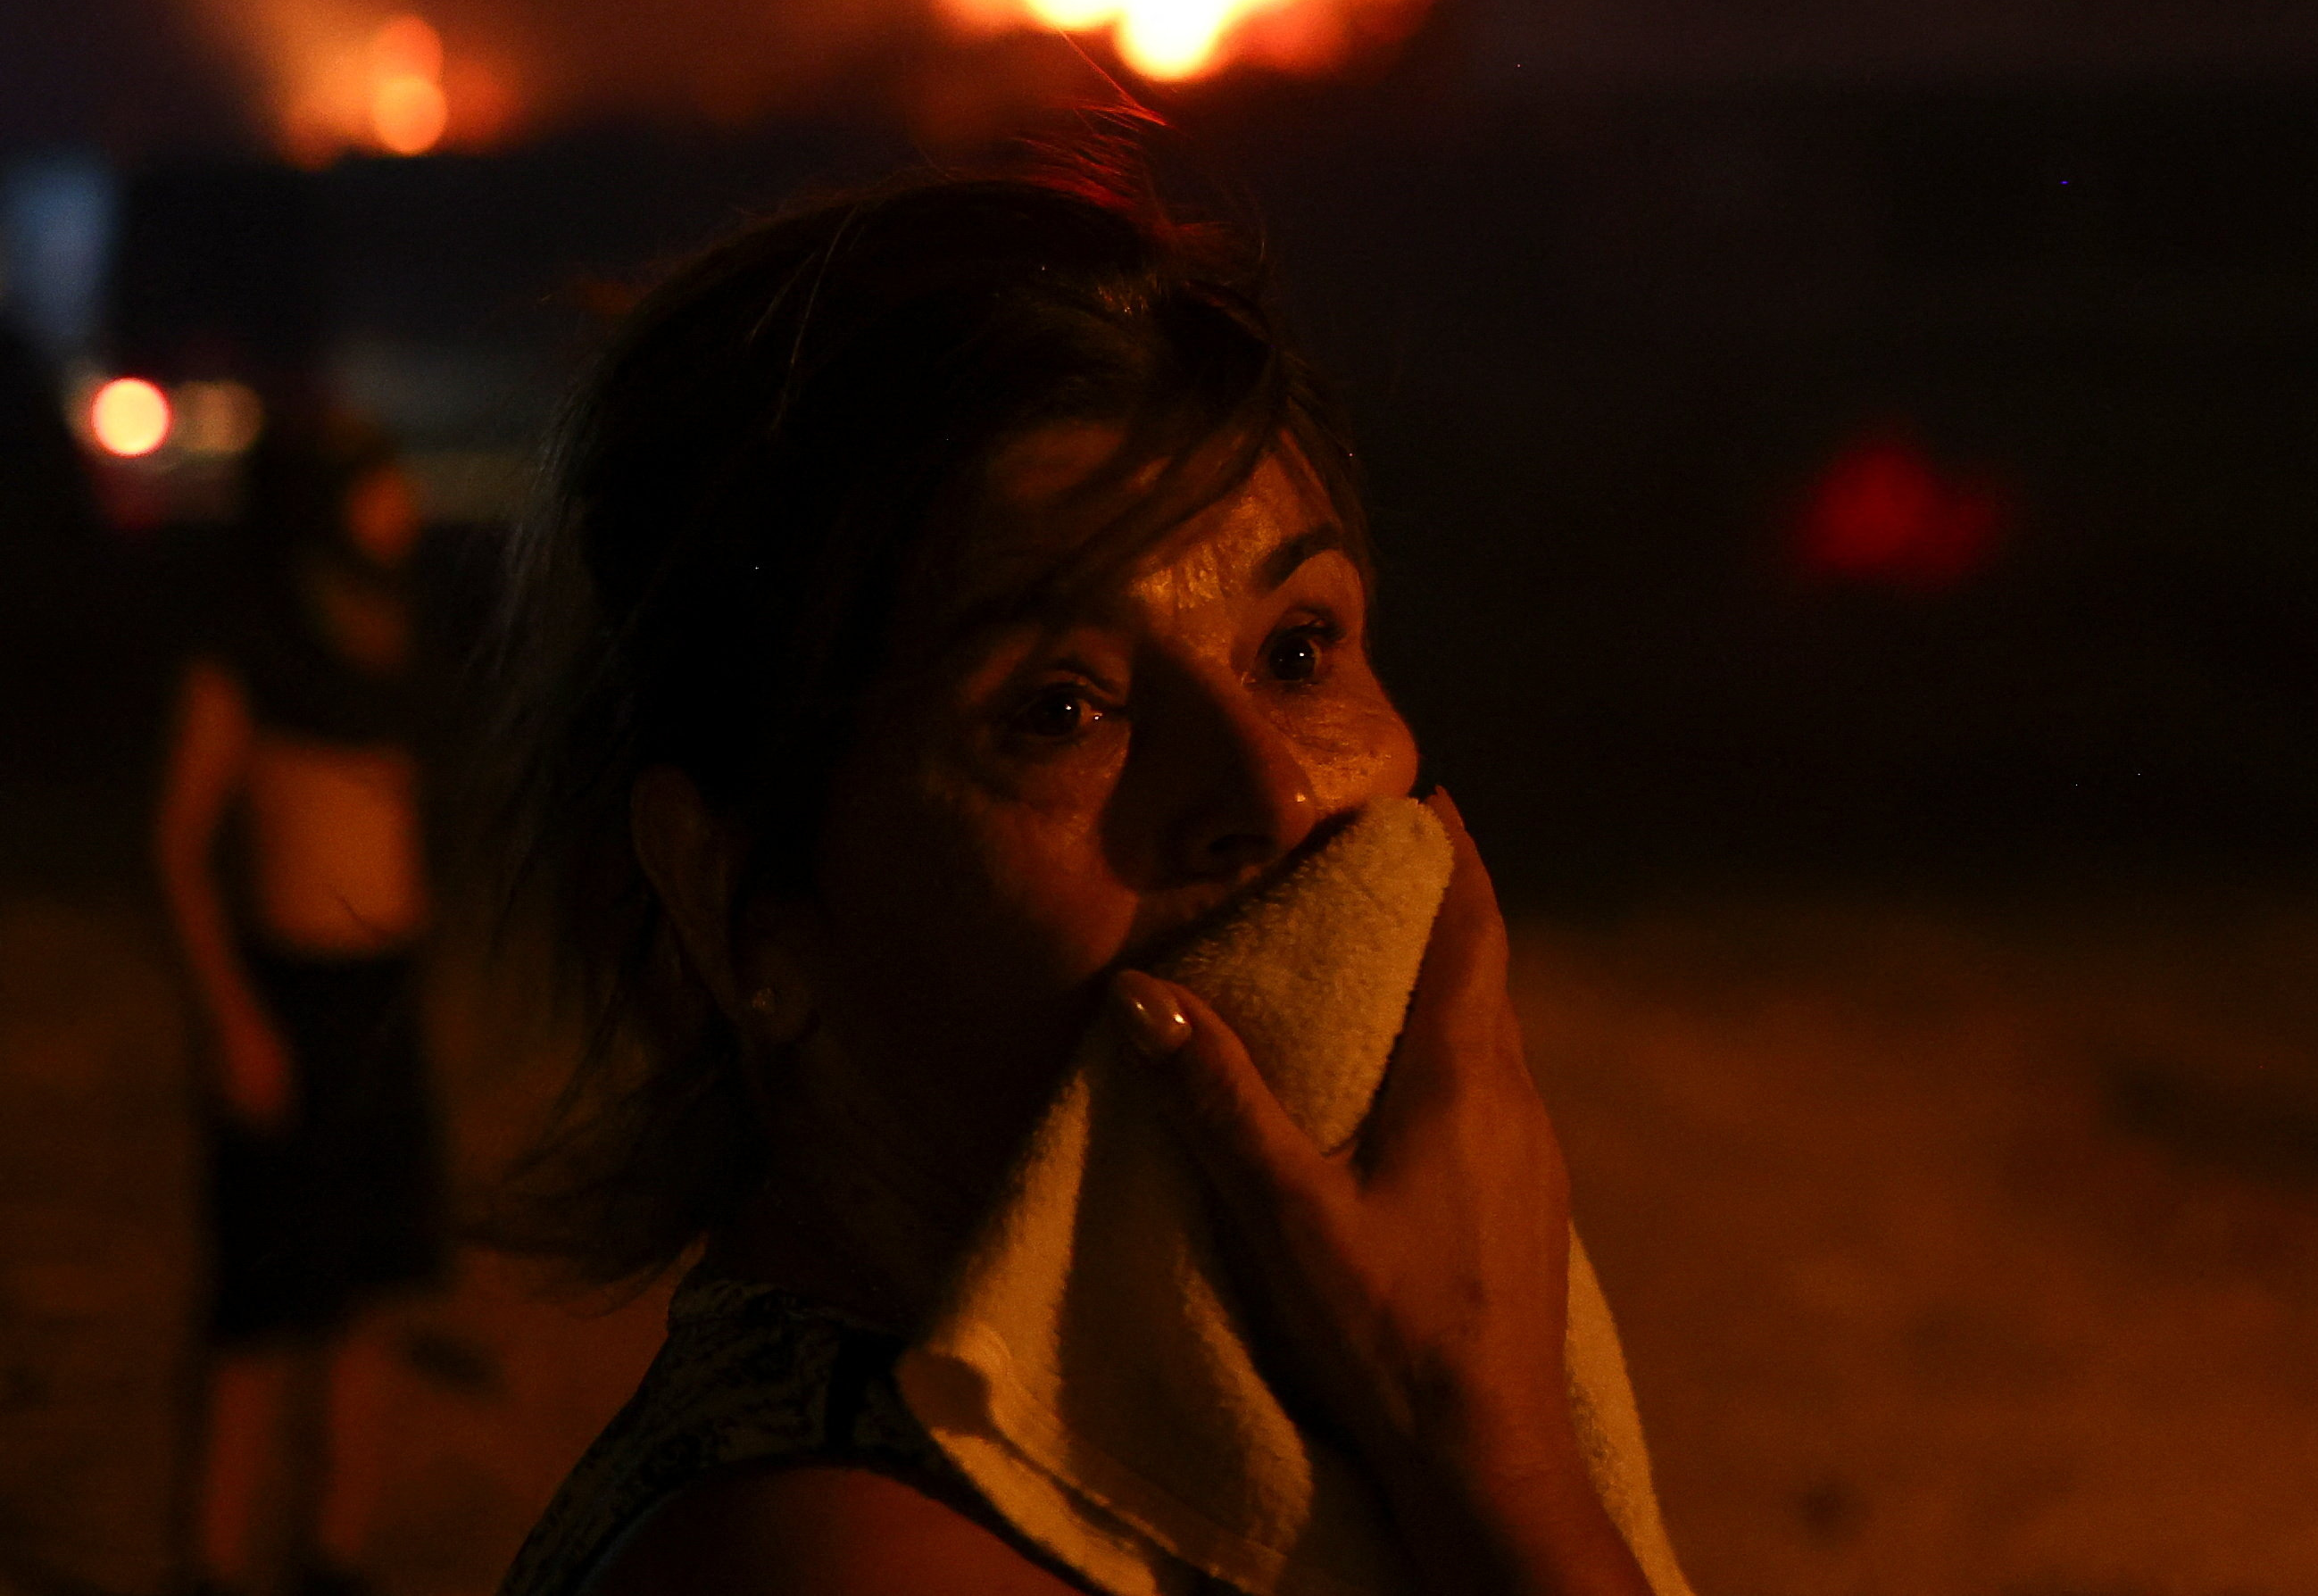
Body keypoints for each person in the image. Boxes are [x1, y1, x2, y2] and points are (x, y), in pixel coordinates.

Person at [487, 153, 1664, 1596]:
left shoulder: (1229, 1427)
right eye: (1059, 708)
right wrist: (1493, 1458)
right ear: (739, 903)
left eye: (1298, 650)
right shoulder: (853, 1556)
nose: (1275, 799)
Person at [154, 411, 448, 1596]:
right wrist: (229, 1015)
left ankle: (333, 1553)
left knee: (372, 1287)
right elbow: (176, 846)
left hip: (382, 1002)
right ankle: (211, 1566)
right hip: (288, 1002)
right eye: (379, 484)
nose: (402, 505)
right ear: (321, 503)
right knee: (260, 1303)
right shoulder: (246, 646)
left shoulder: (390, 635)